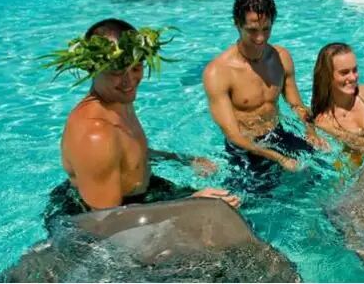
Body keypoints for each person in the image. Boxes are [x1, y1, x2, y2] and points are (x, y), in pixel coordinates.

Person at [43, 19, 240, 233]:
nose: (129, 81)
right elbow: (106, 226)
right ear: (91, 68)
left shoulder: (118, 101)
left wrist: (181, 159)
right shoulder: (96, 134)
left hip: (138, 200)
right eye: (117, 72)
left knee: (239, 206)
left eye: (136, 68)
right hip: (95, 223)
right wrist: (191, 205)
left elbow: (129, 153)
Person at [203, 0, 327, 191]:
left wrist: (311, 131)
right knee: (255, 200)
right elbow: (234, 135)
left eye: (266, 29)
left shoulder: (281, 58)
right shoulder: (218, 72)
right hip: (245, 147)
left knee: (323, 171)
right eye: (252, 30)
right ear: (237, 24)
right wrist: (280, 159)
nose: (260, 38)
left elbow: (296, 105)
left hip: (277, 134)